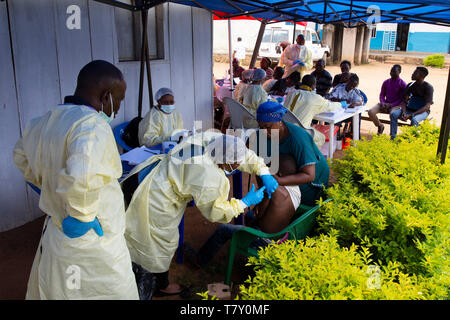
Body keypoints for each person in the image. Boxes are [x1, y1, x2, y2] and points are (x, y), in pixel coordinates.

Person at [13, 60, 139, 300]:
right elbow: (82, 176)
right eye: (119, 100)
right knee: (108, 292)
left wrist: (48, 185)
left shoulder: (46, 120)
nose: (118, 108)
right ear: (106, 96)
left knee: (58, 289)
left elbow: (21, 155)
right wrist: (81, 216)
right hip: (90, 243)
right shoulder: (91, 127)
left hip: (56, 236)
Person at [122, 133, 278, 296]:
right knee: (159, 241)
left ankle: (142, 273)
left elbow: (242, 154)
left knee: (141, 234)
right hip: (154, 195)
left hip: (145, 173)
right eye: (235, 163)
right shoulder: (208, 175)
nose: (240, 164)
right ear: (224, 161)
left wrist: (263, 171)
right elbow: (215, 212)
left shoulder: (214, 140)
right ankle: (158, 284)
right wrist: (244, 202)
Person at [183, 154, 300, 267]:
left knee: (223, 229)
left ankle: (199, 260)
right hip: (280, 237)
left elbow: (259, 215)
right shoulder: (296, 190)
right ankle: (243, 240)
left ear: (278, 174)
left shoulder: (271, 190)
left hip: (265, 242)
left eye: (270, 168)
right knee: (249, 215)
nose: (267, 170)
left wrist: (259, 199)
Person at [257, 101, 329, 207]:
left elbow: (309, 175)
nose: (264, 131)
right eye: (261, 127)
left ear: (280, 121)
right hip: (285, 176)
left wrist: (279, 181)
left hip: (312, 184)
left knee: (287, 164)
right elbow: (260, 167)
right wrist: (264, 194)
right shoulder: (263, 136)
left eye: (268, 127)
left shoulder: (298, 138)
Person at [283, 75, 345, 148]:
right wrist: (341, 104)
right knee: (321, 138)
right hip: (300, 131)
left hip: (284, 128)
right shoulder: (315, 98)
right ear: (313, 86)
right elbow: (330, 106)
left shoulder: (291, 93)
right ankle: (312, 156)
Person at [390, 66, 433, 139]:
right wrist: (404, 112)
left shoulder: (428, 87)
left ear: (421, 76)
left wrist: (411, 115)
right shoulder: (410, 85)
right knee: (393, 114)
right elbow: (404, 101)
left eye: (415, 73)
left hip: (422, 112)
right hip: (409, 110)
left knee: (414, 119)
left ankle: (411, 139)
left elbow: (427, 106)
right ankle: (393, 137)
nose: (412, 74)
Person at [368, 64, 407, 135]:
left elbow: (402, 99)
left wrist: (391, 105)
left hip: (396, 105)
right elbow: (382, 94)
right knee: (371, 111)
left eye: (394, 71)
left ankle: (392, 135)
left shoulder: (403, 84)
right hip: (385, 104)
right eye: (391, 71)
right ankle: (380, 126)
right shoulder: (386, 82)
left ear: (399, 72)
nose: (392, 73)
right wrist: (382, 102)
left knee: (392, 114)